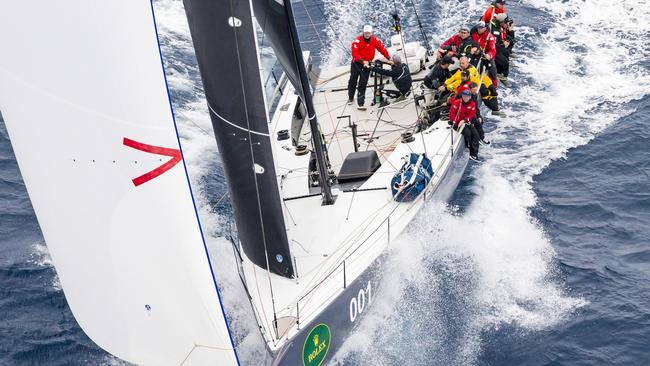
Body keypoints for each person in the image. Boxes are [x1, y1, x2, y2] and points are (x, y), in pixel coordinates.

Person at [348, 25, 391, 109]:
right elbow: (354, 54)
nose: (367, 34)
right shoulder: (357, 41)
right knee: (353, 80)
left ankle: (361, 103)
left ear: (371, 33)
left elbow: (382, 49)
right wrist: (362, 61)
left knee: (363, 83)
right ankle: (351, 97)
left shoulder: (375, 40)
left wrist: (389, 58)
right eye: (366, 33)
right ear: (363, 32)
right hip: (357, 63)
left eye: (369, 33)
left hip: (367, 64)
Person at [449, 89, 480, 160]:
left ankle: (474, 153)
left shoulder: (472, 104)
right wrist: (456, 122)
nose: (465, 98)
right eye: (464, 96)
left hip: (466, 122)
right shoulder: (457, 103)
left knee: (476, 135)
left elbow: (471, 114)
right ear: (462, 96)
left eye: (467, 96)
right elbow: (452, 114)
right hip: (457, 123)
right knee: (468, 133)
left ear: (470, 97)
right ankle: (468, 148)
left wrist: (464, 120)